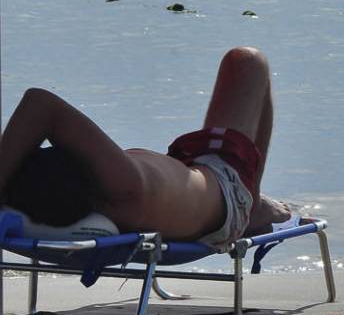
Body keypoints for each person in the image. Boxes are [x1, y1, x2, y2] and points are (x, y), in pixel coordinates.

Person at [0, 47, 293, 249]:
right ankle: (253, 203)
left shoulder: (104, 199)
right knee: (247, 60)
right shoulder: (122, 186)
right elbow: (39, 103)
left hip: (190, 184)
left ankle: (251, 201)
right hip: (227, 185)